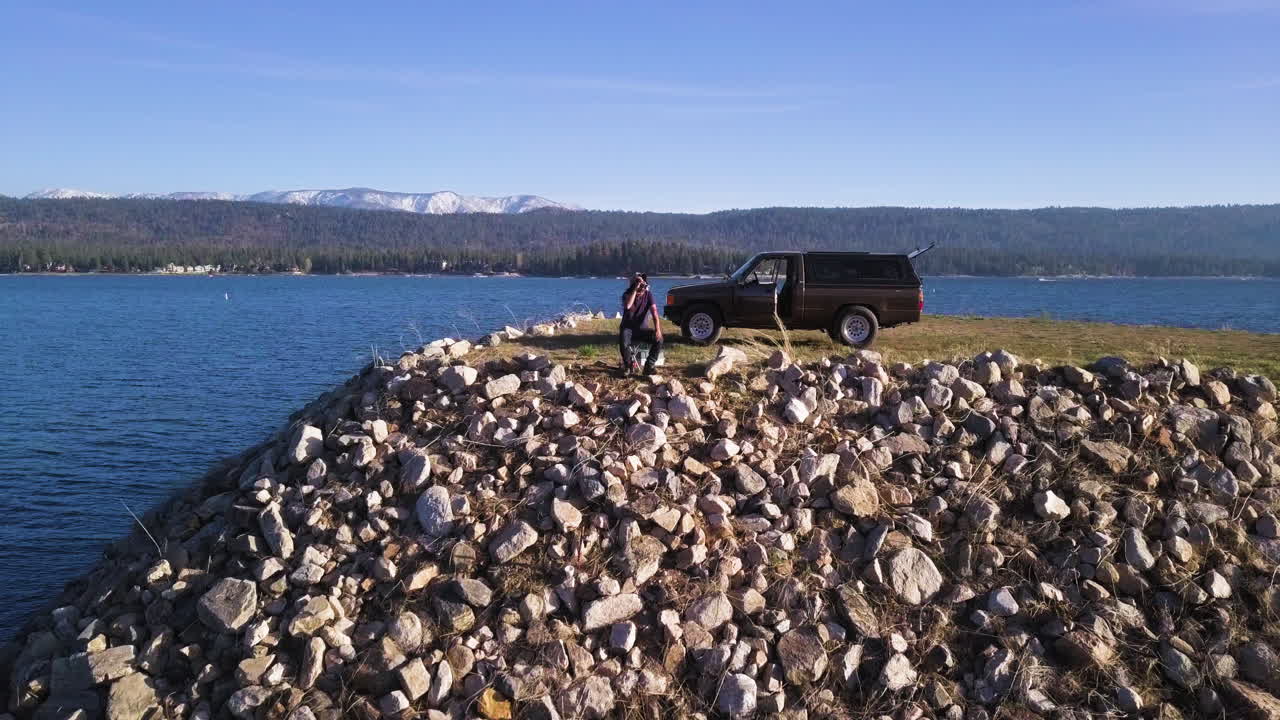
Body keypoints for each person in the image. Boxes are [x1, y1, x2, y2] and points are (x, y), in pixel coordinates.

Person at [619, 273, 663, 376]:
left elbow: (655, 313)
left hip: (642, 329)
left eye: (643, 285)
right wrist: (635, 289)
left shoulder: (648, 295)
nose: (641, 289)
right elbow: (628, 306)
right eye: (638, 284)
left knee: (659, 339)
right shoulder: (627, 294)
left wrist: (658, 329)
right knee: (624, 340)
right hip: (627, 328)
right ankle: (628, 366)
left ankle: (649, 365)